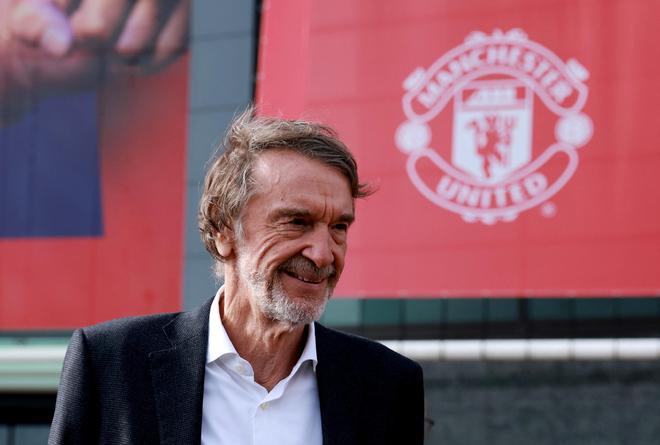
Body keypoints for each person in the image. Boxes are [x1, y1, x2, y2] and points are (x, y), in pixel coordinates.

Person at [48, 108, 425, 445]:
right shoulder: (111, 364)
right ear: (223, 230)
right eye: (297, 222)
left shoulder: (386, 385)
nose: (323, 254)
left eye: (339, 227)